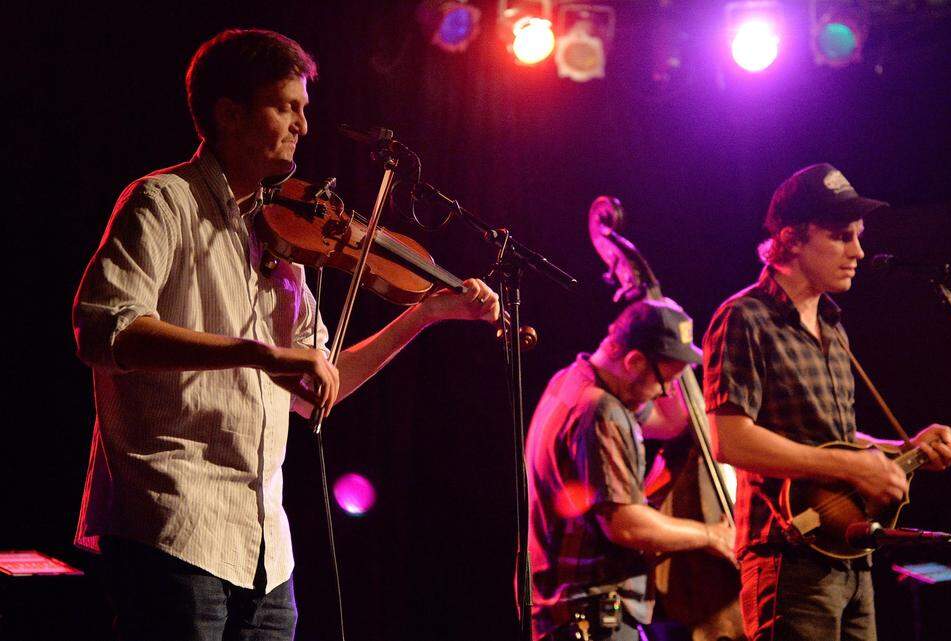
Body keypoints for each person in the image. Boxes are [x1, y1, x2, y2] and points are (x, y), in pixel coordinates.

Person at [71, 29, 499, 641]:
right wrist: (256, 353)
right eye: (285, 106)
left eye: (305, 109)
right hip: (172, 524)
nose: (303, 124)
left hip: (266, 552)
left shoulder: (284, 241)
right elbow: (103, 330)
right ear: (229, 114)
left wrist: (425, 315)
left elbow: (317, 387)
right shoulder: (163, 202)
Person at [702, 163, 951, 641]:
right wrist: (854, 469)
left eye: (858, 236)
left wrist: (897, 448)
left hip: (849, 551)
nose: (858, 251)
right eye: (842, 236)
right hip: (787, 556)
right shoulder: (743, 317)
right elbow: (730, 441)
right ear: (790, 239)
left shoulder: (833, 324)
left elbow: (834, 443)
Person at [527, 298, 737, 641]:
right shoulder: (600, 412)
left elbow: (672, 423)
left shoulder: (572, 381)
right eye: (665, 382)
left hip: (568, 615)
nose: (667, 392)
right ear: (635, 361)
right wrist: (712, 535)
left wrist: (671, 364)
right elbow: (625, 526)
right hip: (591, 613)